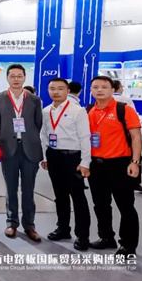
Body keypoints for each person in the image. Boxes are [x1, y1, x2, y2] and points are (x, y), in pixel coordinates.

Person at [86, 76, 142, 256]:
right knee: (100, 204)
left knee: (125, 206)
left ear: (112, 90)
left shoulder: (123, 109)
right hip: (96, 165)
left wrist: (135, 162)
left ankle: (128, 244)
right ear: (91, 90)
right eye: (95, 87)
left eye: (104, 87)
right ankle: (106, 237)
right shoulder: (88, 110)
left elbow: (136, 136)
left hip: (119, 164)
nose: (99, 90)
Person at [0, 64, 43, 242]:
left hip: (29, 150)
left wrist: (30, 139)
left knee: (29, 190)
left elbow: (38, 124)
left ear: (24, 78)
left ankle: (29, 225)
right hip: (8, 149)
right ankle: (12, 223)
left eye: (19, 76)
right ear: (7, 78)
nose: (16, 79)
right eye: (12, 76)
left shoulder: (34, 99)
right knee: (11, 189)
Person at [39, 78, 91, 251]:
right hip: (54, 156)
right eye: (52, 88)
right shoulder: (46, 111)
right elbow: (44, 135)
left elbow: (85, 137)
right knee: (59, 195)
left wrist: (85, 162)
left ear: (67, 91)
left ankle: (82, 235)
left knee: (78, 197)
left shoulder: (78, 111)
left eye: (60, 88)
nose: (56, 92)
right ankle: (63, 228)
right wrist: (45, 157)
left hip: (73, 157)